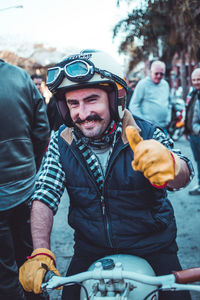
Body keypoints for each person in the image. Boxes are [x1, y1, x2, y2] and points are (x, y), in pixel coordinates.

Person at [19, 50, 194, 300]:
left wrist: (172, 164)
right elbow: (44, 195)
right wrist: (40, 252)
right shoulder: (60, 141)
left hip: (154, 247)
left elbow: (185, 174)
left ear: (116, 99)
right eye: (73, 104)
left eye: (91, 100)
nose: (82, 113)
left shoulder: (147, 133)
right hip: (91, 249)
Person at [0, 59, 50, 300]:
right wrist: (33, 166)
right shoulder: (20, 77)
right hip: (25, 183)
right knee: (29, 255)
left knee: (4, 271)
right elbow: (42, 130)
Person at [129, 60, 171, 135]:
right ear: (151, 72)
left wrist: (168, 118)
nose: (159, 76)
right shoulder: (142, 84)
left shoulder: (165, 84)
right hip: (148, 129)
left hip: (163, 127)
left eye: (161, 74)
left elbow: (169, 103)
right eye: (156, 73)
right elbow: (133, 105)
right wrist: (144, 122)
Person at [185, 68, 200, 195]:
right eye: (194, 79)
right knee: (198, 161)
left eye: (198, 79)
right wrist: (187, 130)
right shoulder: (193, 93)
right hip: (193, 135)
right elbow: (189, 112)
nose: (196, 82)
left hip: (198, 134)